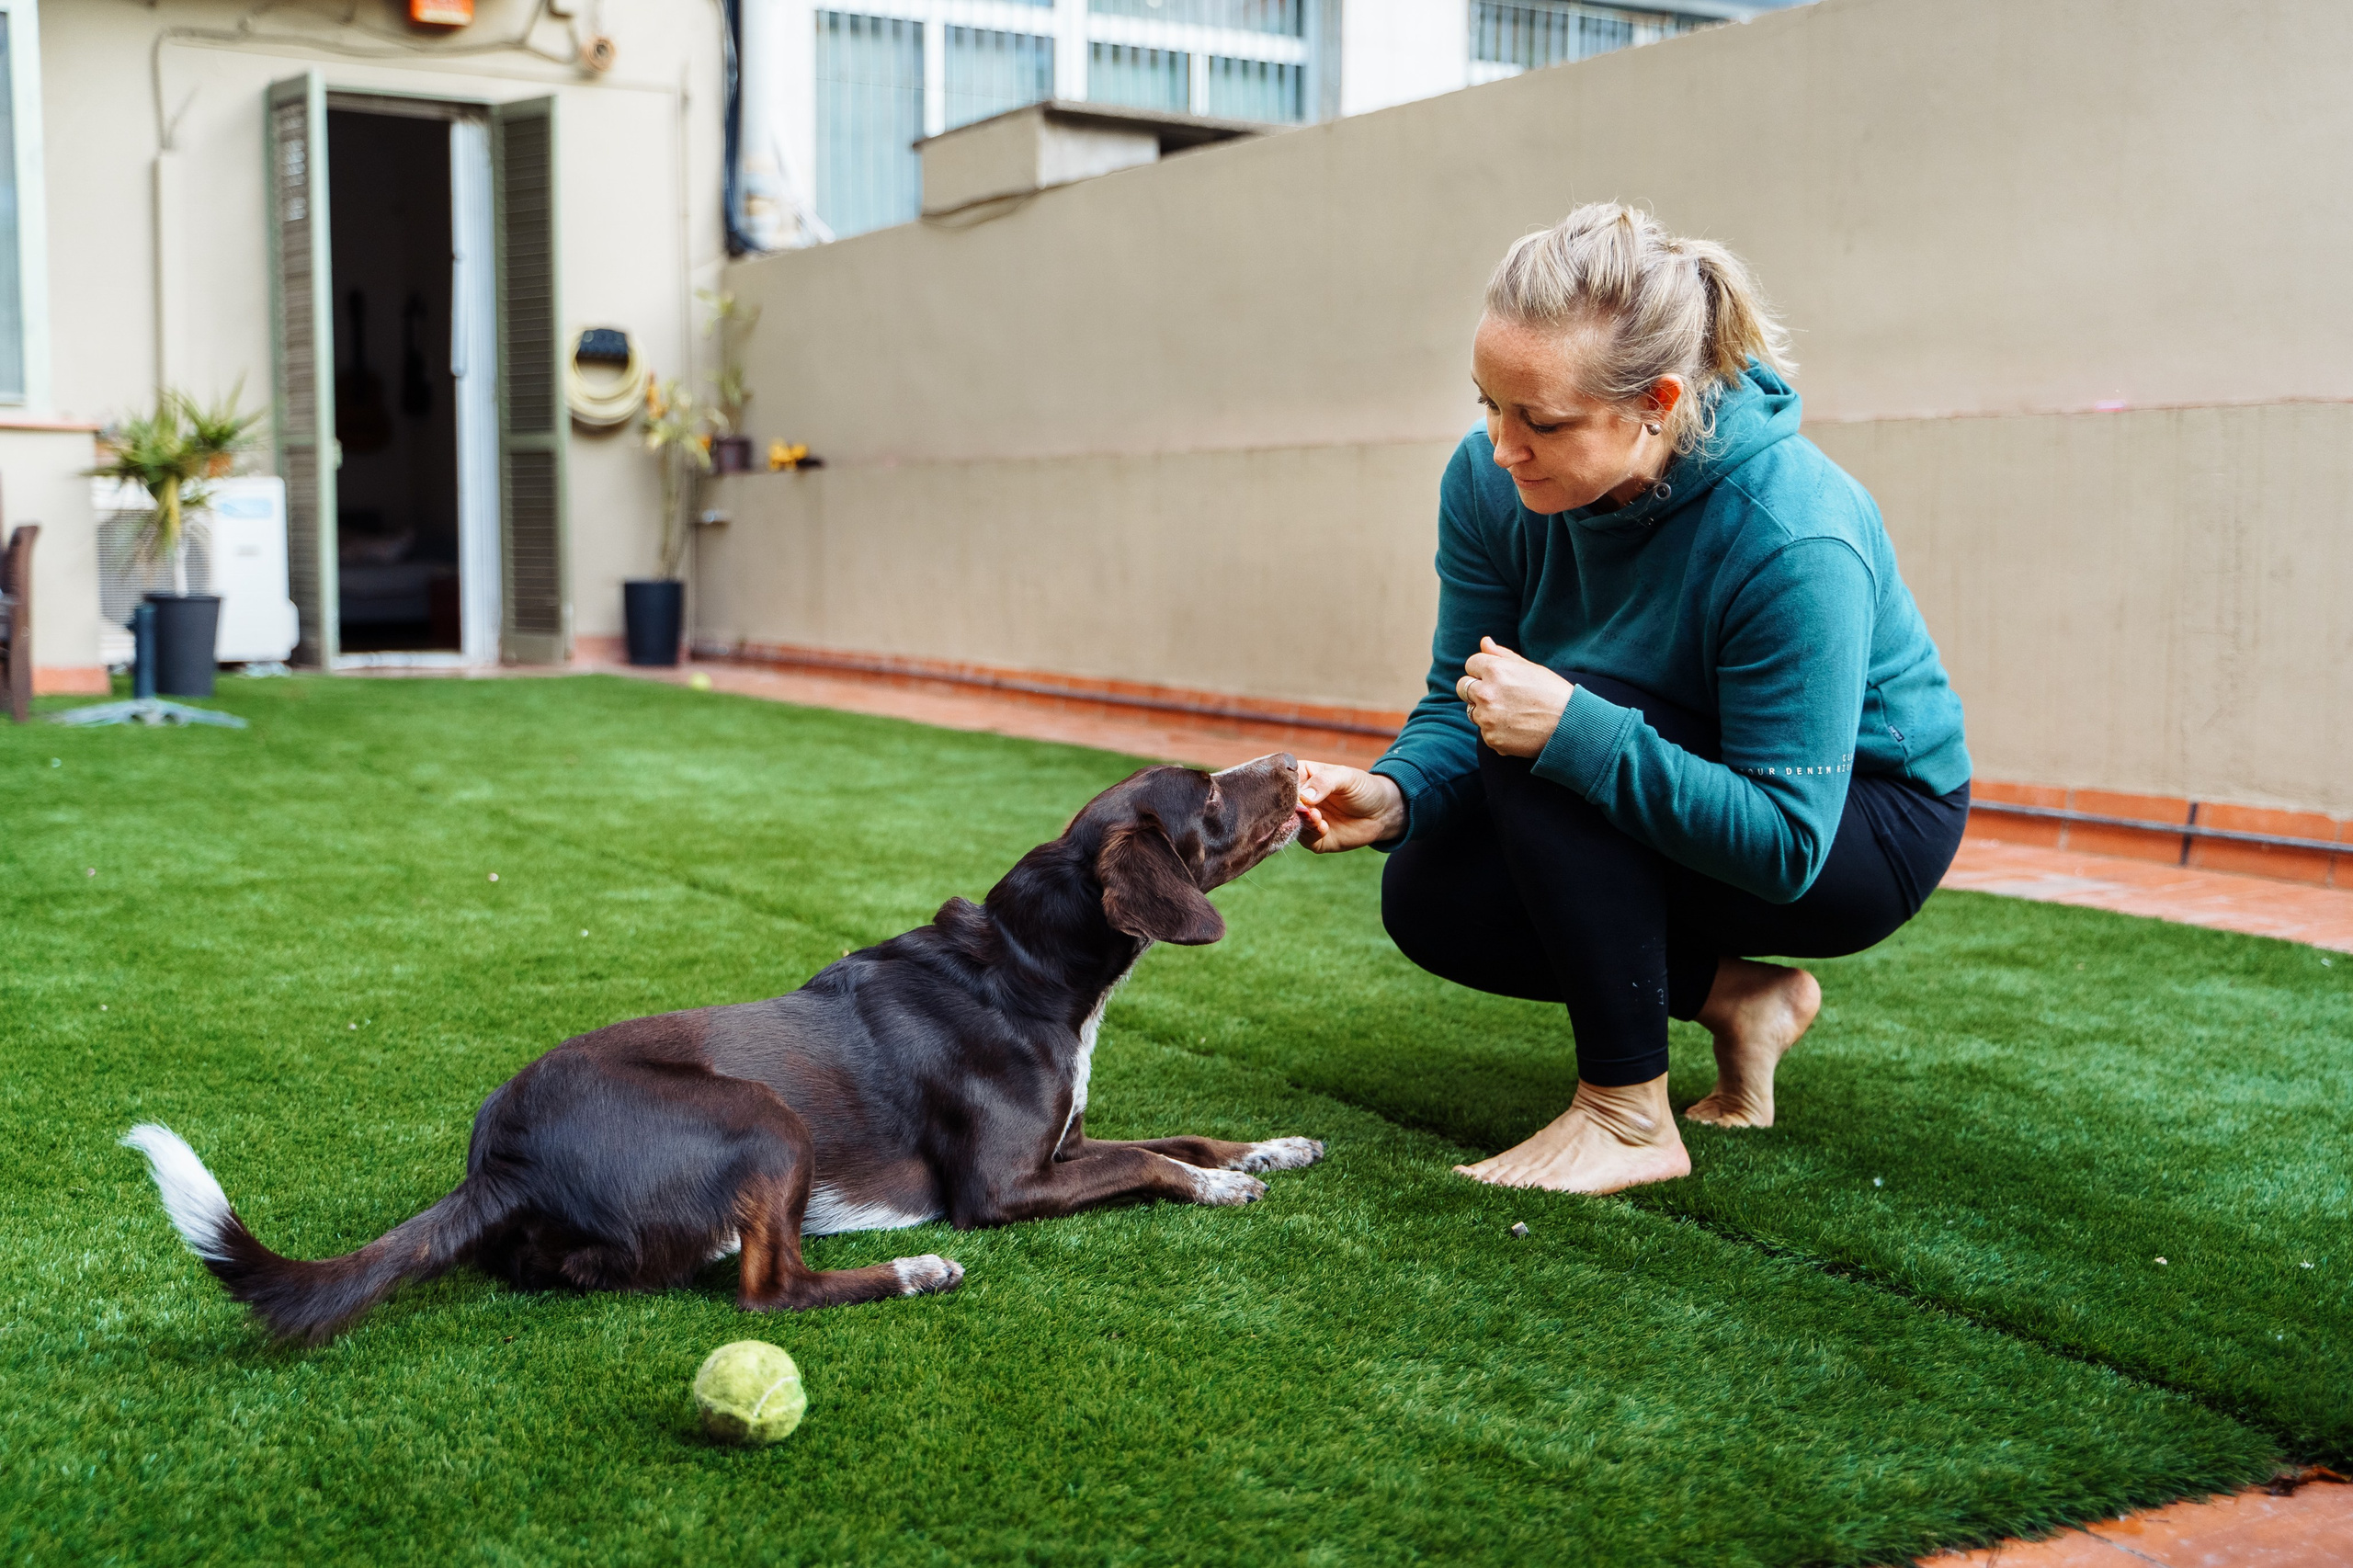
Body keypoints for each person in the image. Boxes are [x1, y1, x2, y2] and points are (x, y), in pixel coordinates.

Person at [1294, 204, 1972, 1196]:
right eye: (1488, 404)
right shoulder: (1487, 482)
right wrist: (1397, 794)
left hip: (1855, 824)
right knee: (1432, 894)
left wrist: (1579, 730)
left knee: (1561, 719)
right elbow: (1464, 696)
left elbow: (1787, 843)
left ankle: (1626, 1114)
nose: (1502, 447)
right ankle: (1740, 1000)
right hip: (1670, 763)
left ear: (1656, 401)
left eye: (1541, 421)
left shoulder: (1793, 532)